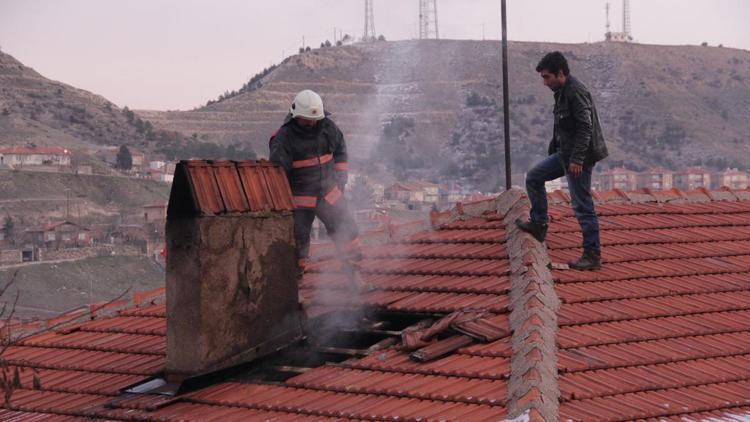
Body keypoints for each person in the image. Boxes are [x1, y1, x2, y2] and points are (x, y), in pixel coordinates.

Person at [516, 52, 609, 270]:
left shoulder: (576, 92)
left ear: (560, 74)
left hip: (580, 158)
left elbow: (586, 127)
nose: (544, 82)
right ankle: (539, 224)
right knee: (534, 177)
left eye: (547, 77)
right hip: (566, 154)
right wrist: (556, 148)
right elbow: (564, 126)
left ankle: (592, 255)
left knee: (582, 205)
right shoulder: (560, 91)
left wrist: (577, 159)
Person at [269, 89, 366, 289]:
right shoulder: (283, 138)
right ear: (296, 116)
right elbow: (278, 174)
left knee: (347, 231)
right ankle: (295, 291)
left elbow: (340, 150)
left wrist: (340, 179)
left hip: (329, 193)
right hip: (300, 200)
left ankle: (355, 278)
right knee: (298, 245)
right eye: (307, 120)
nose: (312, 123)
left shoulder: (328, 127)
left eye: (315, 119)